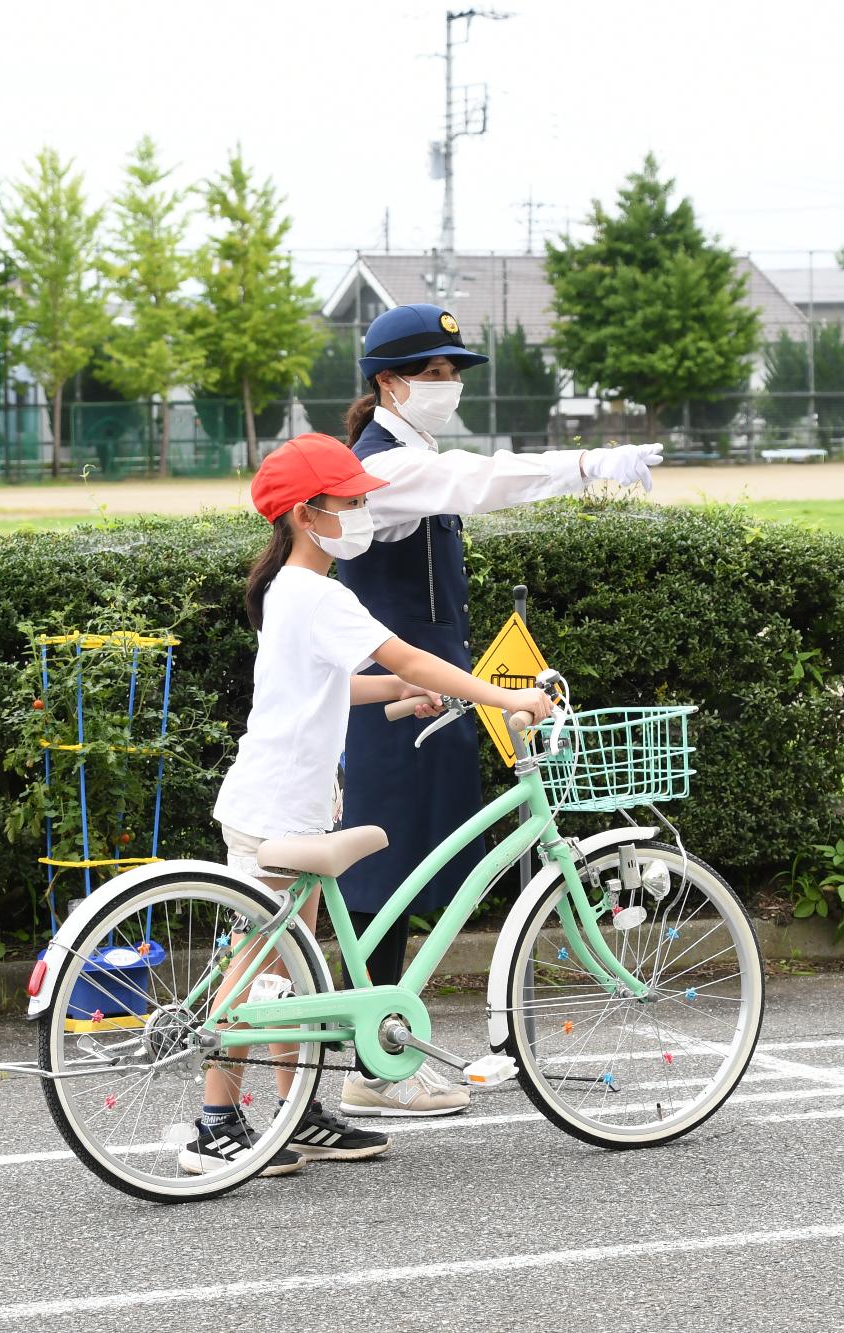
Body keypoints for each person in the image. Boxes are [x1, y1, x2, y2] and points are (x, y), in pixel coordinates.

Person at [183, 432, 556, 1177]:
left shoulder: (290, 591)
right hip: (279, 808)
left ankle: (296, 1112)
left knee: (287, 970)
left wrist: (398, 697)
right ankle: (215, 1120)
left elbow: (332, 686)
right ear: (304, 514)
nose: (363, 513)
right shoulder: (319, 593)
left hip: (286, 799)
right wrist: (502, 693)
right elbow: (411, 654)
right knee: (256, 969)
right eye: (350, 502)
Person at [334, 303, 660, 1118]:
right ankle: (373, 1065)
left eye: (453, 372)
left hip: (428, 698)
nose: (449, 386)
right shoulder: (386, 465)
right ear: (389, 383)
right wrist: (586, 464)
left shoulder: (411, 452)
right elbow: (486, 479)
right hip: (395, 702)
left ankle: (381, 1049)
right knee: (383, 878)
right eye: (435, 372)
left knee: (403, 876)